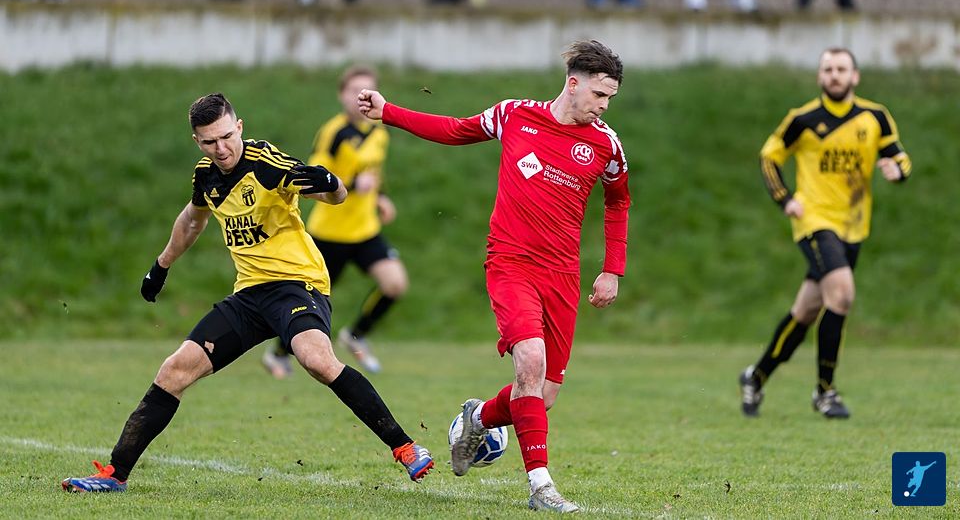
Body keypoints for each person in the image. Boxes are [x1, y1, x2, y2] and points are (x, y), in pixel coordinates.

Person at [61, 93, 433, 493]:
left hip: (297, 284)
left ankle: (406, 448)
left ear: (239, 127)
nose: (221, 148)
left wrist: (334, 187)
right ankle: (114, 475)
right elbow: (192, 220)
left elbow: (328, 191)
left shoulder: (267, 164)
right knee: (174, 370)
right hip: (250, 295)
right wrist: (161, 266)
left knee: (317, 361)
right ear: (197, 142)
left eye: (226, 137)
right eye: (209, 142)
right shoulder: (206, 176)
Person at [358, 40, 631, 513]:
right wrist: (389, 113)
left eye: (610, 98)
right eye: (600, 95)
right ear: (573, 84)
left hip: (562, 274)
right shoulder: (515, 115)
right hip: (510, 263)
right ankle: (541, 487)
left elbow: (619, 201)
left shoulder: (606, 144)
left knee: (543, 395)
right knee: (530, 362)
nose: (604, 105)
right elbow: (454, 129)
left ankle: (479, 417)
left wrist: (612, 269)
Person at [740, 47, 912, 419]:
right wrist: (785, 198)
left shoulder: (875, 116)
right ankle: (825, 392)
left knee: (806, 311)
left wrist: (898, 170)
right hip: (815, 221)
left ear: (855, 76)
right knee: (843, 294)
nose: (835, 75)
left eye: (841, 69)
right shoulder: (802, 119)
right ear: (820, 76)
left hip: (855, 225)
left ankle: (755, 377)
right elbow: (770, 156)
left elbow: (898, 154)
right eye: (828, 69)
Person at [262, 66, 405, 377]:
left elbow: (374, 173)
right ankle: (277, 354)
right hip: (330, 233)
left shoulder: (380, 132)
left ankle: (356, 335)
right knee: (309, 302)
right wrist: (352, 184)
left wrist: (380, 197)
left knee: (395, 284)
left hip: (365, 230)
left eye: (366, 90)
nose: (359, 98)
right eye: (353, 91)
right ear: (341, 95)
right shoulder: (333, 132)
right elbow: (314, 178)